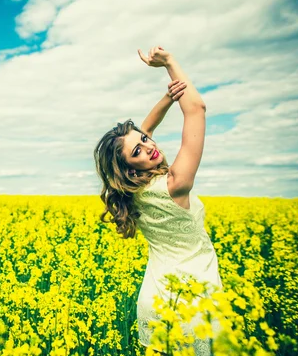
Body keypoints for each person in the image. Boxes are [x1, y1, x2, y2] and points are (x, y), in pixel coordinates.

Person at [93, 46, 223, 356]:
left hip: (155, 300)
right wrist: (169, 62)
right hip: (192, 303)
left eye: (145, 141)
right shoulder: (176, 184)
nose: (148, 146)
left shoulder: (129, 191)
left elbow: (142, 133)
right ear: (128, 167)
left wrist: (167, 98)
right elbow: (197, 110)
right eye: (137, 152)